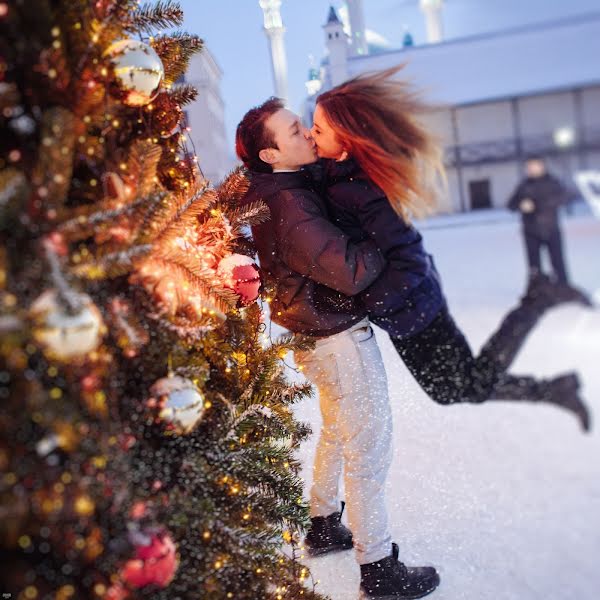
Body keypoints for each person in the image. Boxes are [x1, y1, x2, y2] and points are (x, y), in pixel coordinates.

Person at [309, 66, 590, 433]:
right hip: (407, 308)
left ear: (345, 144)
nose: (310, 136)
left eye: (317, 130)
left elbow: (408, 256)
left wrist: (374, 304)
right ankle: (554, 385)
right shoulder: (340, 175)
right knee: (459, 387)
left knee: (460, 387)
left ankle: (537, 309)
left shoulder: (362, 190)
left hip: (415, 308)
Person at [236, 98, 441, 599]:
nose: (307, 133)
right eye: (293, 131)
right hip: (336, 337)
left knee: (339, 430)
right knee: (369, 444)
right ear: (271, 155)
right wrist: (385, 240)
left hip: (315, 332)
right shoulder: (290, 203)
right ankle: (377, 566)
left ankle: (323, 521)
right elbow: (352, 270)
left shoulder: (285, 188)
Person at [508, 156, 593, 306]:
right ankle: (537, 293)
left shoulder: (552, 182)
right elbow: (510, 204)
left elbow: (567, 196)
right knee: (534, 266)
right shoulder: (524, 185)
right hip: (530, 231)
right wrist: (520, 204)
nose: (531, 169)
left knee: (558, 263)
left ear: (542, 166)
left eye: (534, 166)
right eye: (529, 166)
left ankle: (563, 290)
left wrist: (538, 204)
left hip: (551, 229)